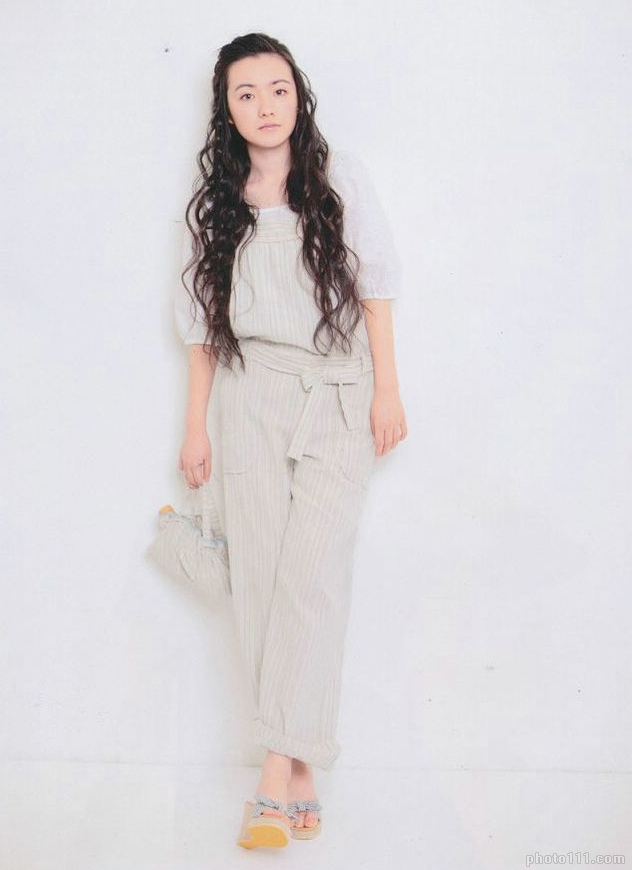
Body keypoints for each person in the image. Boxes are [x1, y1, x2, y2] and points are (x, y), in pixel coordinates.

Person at [174, 32, 407, 849]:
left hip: (338, 396)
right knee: (263, 587)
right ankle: (300, 773)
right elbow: (200, 325)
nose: (265, 106)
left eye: (277, 89)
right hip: (249, 401)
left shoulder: (338, 177)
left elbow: (376, 289)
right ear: (227, 110)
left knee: (311, 581)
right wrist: (195, 425)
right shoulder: (217, 202)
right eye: (246, 94)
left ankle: (271, 779)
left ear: (298, 95)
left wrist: (387, 388)